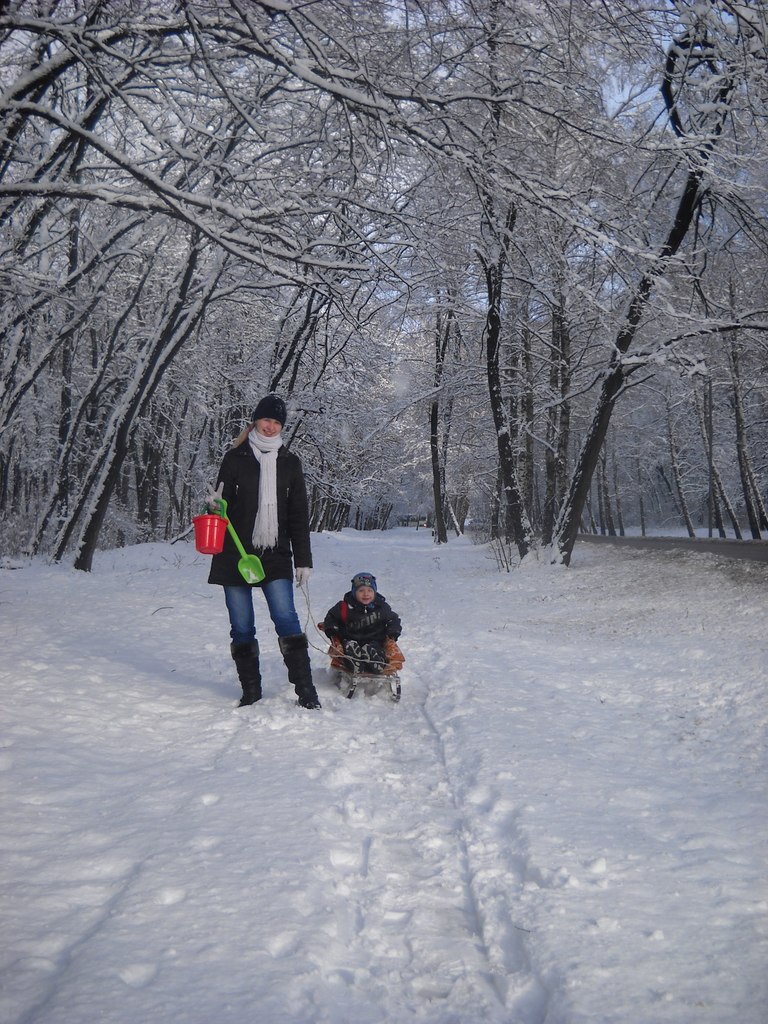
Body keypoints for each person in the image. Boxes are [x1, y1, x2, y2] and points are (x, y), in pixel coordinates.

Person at [207, 394, 321, 709]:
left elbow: (298, 514)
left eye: (276, 422)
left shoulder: (289, 463)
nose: (270, 427)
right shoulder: (234, 459)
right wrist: (213, 507)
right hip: (236, 553)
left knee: (286, 618)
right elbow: (220, 504)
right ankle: (251, 691)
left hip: (275, 553)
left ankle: (306, 691)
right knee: (241, 624)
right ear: (255, 420)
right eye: (266, 420)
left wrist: (304, 560)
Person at [323, 572, 402, 674]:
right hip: (350, 639)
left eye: (370, 590)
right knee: (348, 649)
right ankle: (353, 661)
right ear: (354, 592)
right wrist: (332, 629)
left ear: (374, 592)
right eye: (361, 590)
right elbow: (331, 617)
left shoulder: (381, 607)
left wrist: (393, 632)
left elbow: (393, 619)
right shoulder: (344, 607)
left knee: (376, 649)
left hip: (375, 640)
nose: (366, 594)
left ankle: (375, 661)